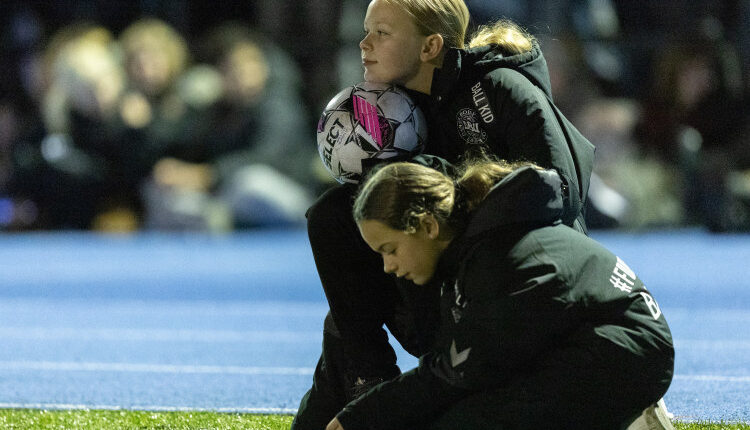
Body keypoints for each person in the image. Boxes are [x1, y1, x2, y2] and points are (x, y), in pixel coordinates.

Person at [293, 1, 595, 428]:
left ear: (429, 46)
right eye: (365, 31)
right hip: (438, 286)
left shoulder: (500, 87)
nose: (364, 44)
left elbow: (561, 191)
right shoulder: (397, 111)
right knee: (333, 224)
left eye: (381, 32)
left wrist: (460, 196)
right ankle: (369, 380)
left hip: (515, 289)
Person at [326, 158, 674, 429]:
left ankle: (632, 420)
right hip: (603, 344)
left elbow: (455, 372)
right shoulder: (474, 252)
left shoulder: (496, 260)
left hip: (627, 353)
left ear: (428, 226)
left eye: (390, 249)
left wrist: (364, 416)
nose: (388, 267)